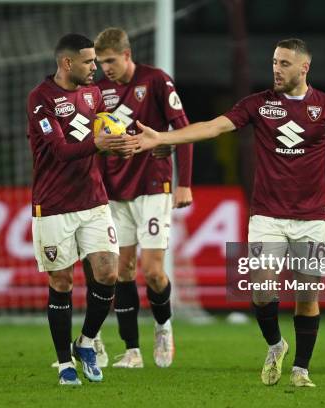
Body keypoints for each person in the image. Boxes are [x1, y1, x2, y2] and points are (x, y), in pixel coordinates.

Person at [136, 38, 325, 387]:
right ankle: (275, 344)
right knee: (261, 290)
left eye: (285, 63)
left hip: (314, 218)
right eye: (274, 62)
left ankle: (301, 369)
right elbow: (212, 127)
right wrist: (164, 139)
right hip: (267, 216)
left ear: (304, 68)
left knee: (307, 297)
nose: (276, 69)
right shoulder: (258, 105)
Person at [27, 33, 138, 386]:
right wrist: (98, 143)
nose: (96, 67)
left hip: (93, 199)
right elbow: (60, 150)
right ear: (67, 63)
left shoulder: (93, 94)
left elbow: (101, 130)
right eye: (89, 61)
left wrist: (119, 144)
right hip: (54, 204)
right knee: (61, 282)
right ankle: (64, 364)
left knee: (108, 272)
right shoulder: (40, 99)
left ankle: (86, 342)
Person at [92, 27, 194, 369]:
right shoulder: (97, 91)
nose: (105, 67)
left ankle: (163, 327)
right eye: (100, 62)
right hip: (115, 191)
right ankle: (132, 351)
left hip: (153, 186)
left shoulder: (155, 81)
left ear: (126, 55)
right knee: (122, 269)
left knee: (152, 271)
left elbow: (183, 131)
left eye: (110, 60)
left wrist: (185, 184)